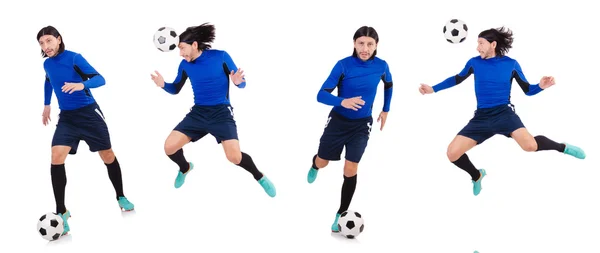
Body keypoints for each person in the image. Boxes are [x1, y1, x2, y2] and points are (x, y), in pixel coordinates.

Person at [419, 26, 586, 196]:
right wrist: (433, 88)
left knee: (530, 146)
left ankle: (562, 148)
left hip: (504, 114)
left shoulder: (511, 64)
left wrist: (541, 86)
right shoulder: (474, 63)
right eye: (477, 43)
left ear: (493, 44)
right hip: (482, 117)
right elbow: (457, 78)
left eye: (481, 43)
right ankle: (477, 175)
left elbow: (528, 90)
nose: (477, 47)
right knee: (452, 153)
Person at [150, 23, 276, 197]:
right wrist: (163, 85)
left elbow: (242, 84)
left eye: (182, 48)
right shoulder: (185, 65)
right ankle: (185, 168)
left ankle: (259, 176)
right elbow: (175, 89)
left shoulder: (221, 56)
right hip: (198, 113)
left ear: (194, 44)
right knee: (169, 147)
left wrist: (238, 81)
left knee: (234, 157)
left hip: (221, 113)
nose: (180, 53)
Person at [38, 26, 135, 235]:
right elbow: (48, 81)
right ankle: (61, 210)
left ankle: (121, 196)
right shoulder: (47, 64)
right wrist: (47, 105)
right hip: (67, 118)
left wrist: (81, 85)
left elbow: (100, 78)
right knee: (56, 156)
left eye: (48, 41)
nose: (46, 47)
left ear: (58, 39)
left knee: (107, 155)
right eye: (41, 43)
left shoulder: (74, 58)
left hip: (90, 115)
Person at [306, 26, 393, 232]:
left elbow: (389, 84)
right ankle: (315, 165)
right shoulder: (343, 65)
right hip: (338, 121)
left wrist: (386, 109)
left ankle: (340, 213)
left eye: (370, 44)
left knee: (351, 167)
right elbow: (321, 94)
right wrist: (342, 101)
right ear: (354, 43)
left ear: (376, 46)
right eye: (361, 43)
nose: (365, 48)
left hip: (362, 125)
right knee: (323, 161)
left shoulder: (382, 66)